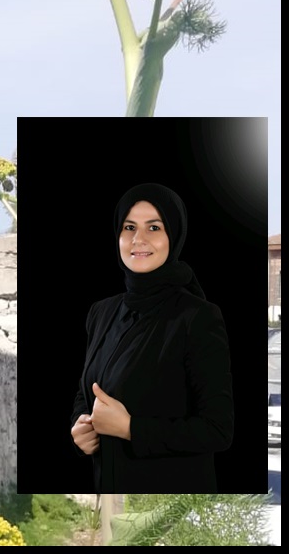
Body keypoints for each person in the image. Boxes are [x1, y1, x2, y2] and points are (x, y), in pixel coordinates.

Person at [70, 183, 233, 493]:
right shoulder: (101, 313)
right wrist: (81, 427)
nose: (138, 239)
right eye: (129, 227)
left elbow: (218, 430)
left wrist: (131, 429)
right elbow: (88, 390)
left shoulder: (197, 317)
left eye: (153, 227)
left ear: (174, 235)